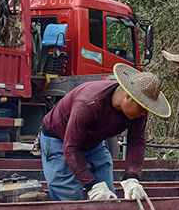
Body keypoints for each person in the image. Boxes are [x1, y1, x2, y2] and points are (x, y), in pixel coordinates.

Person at [39, 63, 171, 201]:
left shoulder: (139, 112)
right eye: (142, 108)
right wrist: (92, 185)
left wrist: (132, 177)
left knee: (107, 195)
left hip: (93, 142)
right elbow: (71, 148)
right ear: (128, 97)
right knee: (70, 197)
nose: (144, 113)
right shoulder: (89, 103)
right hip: (59, 141)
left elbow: (136, 141)